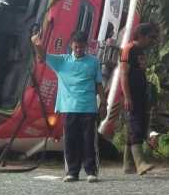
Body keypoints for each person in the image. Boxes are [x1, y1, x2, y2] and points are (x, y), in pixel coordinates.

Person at [32, 31, 106, 183]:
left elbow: (99, 84)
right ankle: (72, 172)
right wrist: (37, 44)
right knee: (70, 141)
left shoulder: (93, 62)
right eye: (76, 47)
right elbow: (43, 56)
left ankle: (91, 171)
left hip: (89, 108)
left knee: (89, 141)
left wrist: (104, 103)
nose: (78, 50)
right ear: (71, 45)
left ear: (86, 46)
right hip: (68, 108)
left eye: (81, 47)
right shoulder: (61, 61)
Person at [120, 22, 157, 175]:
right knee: (135, 126)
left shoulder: (141, 51)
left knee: (137, 125)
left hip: (141, 94)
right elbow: (123, 74)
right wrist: (127, 97)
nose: (152, 40)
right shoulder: (129, 49)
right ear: (141, 35)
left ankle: (128, 164)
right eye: (150, 37)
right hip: (132, 95)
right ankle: (140, 162)